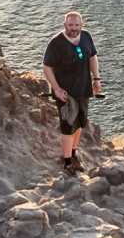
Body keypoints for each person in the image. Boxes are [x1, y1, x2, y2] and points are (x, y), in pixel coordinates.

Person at [42, 9, 102, 173]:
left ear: (82, 24)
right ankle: (67, 162)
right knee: (68, 126)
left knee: (80, 123)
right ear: (65, 25)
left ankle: (73, 154)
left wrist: (96, 79)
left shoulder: (86, 36)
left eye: (76, 25)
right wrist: (56, 89)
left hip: (84, 88)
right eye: (70, 25)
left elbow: (92, 57)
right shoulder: (56, 43)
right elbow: (47, 67)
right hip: (65, 93)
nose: (73, 28)